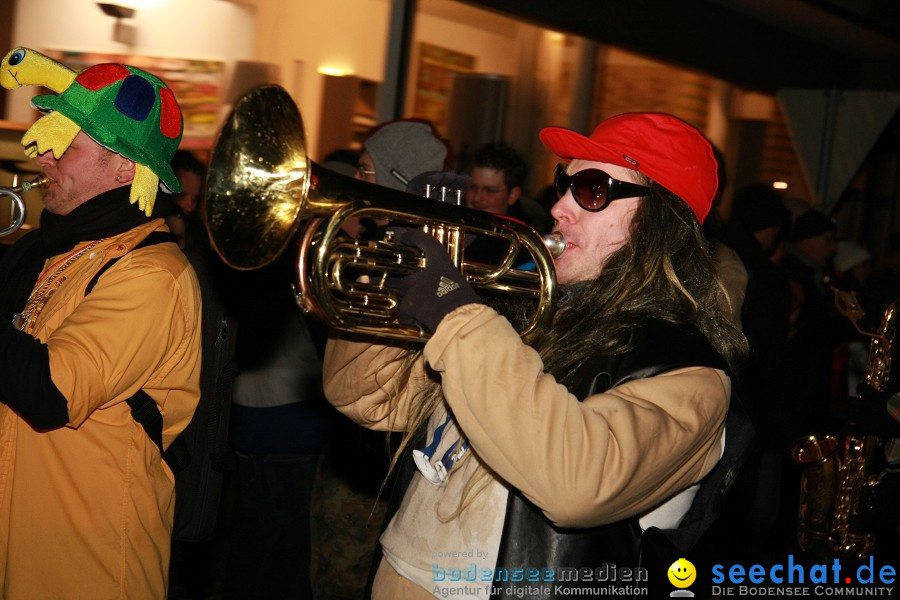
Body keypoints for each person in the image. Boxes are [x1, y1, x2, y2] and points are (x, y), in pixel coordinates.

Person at [323, 112, 749, 598]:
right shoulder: (521, 314)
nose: (561, 205)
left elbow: (577, 483)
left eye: (591, 189)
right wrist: (401, 267)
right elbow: (369, 398)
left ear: (660, 220)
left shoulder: (690, 375)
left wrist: (455, 312)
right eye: (563, 183)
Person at [0, 48, 201, 597]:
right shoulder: (57, 250)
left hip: (89, 566)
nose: (43, 158)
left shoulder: (151, 274)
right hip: (24, 549)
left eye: (66, 145)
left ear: (123, 165)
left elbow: (51, 393)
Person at [464, 141, 552, 234]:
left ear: (513, 195)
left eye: (490, 191)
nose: (477, 198)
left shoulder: (526, 238)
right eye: (472, 187)